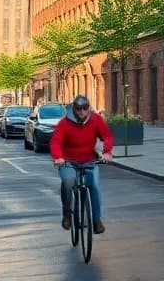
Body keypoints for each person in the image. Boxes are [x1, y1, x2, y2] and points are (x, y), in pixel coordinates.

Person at [51, 94, 114, 235]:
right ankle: (67, 214)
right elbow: (55, 142)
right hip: (68, 161)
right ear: (74, 108)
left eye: (85, 108)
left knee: (95, 187)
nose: (82, 112)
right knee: (68, 182)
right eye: (79, 108)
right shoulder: (64, 123)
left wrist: (107, 152)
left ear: (89, 107)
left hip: (89, 160)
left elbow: (107, 135)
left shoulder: (96, 120)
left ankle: (97, 220)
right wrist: (58, 157)